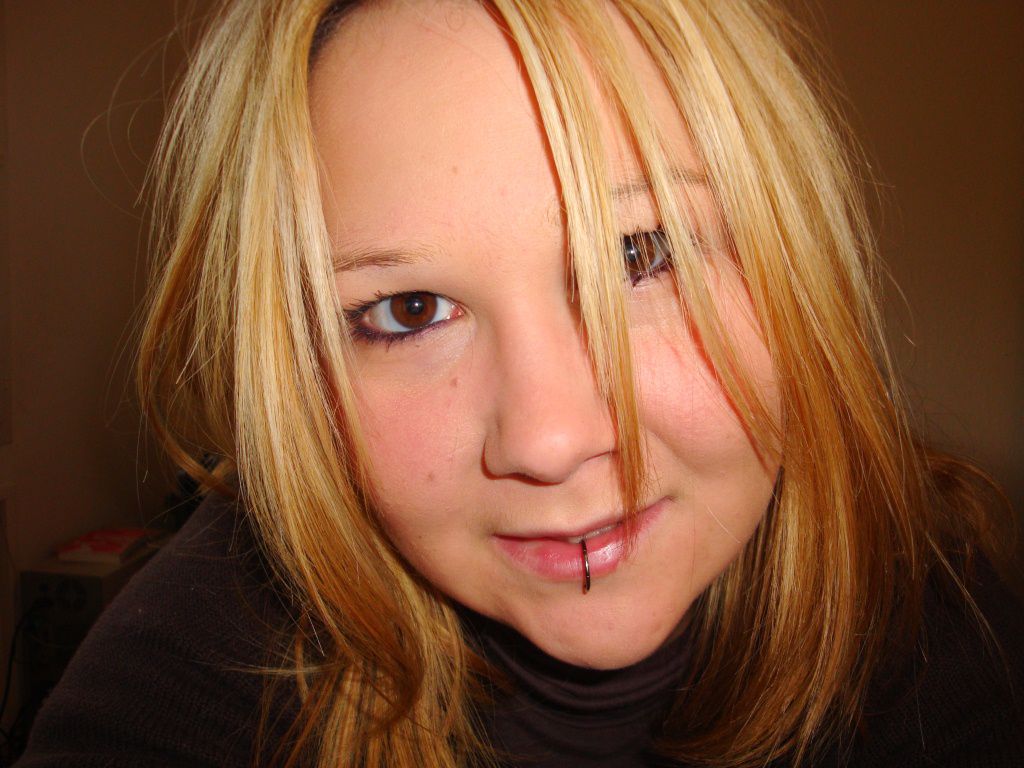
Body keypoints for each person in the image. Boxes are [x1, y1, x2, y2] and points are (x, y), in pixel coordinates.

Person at [16, 0, 1023, 766]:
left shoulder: (931, 605)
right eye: (408, 310)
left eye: (639, 255)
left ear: (797, 258)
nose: (549, 441)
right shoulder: (186, 680)